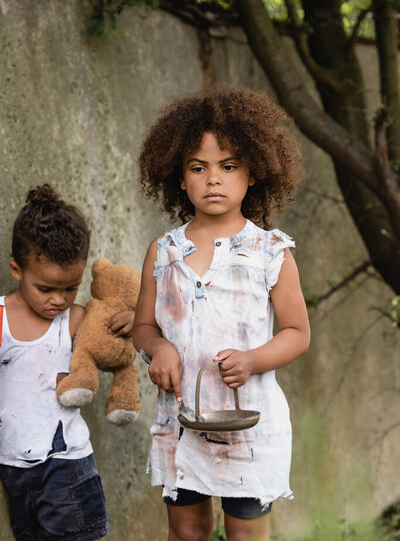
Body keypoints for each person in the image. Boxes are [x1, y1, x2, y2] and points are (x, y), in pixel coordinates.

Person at [132, 86, 311, 541]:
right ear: (179, 177)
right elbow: (143, 325)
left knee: (246, 533)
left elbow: (296, 332)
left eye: (228, 167)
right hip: (182, 418)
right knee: (187, 530)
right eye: (199, 168)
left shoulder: (270, 251)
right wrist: (158, 348)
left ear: (253, 174)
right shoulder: (164, 250)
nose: (214, 179)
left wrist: (252, 361)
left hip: (249, 421)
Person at [0, 184, 133, 541]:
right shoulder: (2, 320)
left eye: (71, 288)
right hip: (13, 465)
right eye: (45, 289)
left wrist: (131, 324)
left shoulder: (75, 319)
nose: (58, 300)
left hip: (69, 466)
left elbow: (114, 348)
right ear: (16, 270)